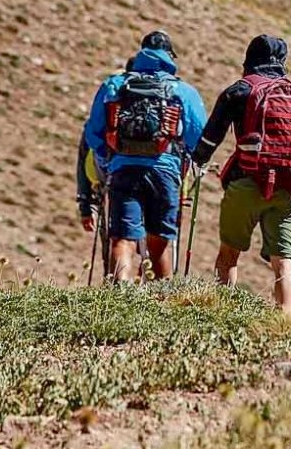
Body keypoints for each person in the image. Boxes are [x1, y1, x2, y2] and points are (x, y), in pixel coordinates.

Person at [192, 34, 291, 313]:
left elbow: (210, 137)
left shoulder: (239, 90)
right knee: (284, 260)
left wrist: (198, 163)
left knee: (229, 254)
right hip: (289, 189)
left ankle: (222, 312)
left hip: (246, 182)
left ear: (249, 59)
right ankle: (284, 319)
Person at [80, 31, 207, 282]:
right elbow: (197, 137)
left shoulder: (115, 85)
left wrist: (109, 158)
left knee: (123, 239)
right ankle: (162, 306)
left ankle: (121, 299)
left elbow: (93, 132)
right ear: (170, 56)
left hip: (123, 168)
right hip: (165, 171)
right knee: (158, 243)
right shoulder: (183, 91)